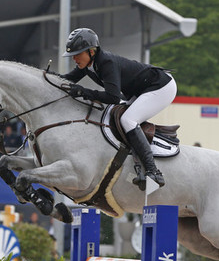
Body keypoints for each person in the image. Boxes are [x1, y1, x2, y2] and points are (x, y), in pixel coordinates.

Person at [59, 28, 176, 188]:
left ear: (91, 51)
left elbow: (113, 97)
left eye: (78, 54)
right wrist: (43, 76)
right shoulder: (88, 64)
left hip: (161, 86)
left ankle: (153, 171)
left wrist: (84, 92)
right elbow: (66, 79)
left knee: (128, 120)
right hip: (141, 90)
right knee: (115, 117)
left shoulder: (106, 62)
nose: (74, 59)